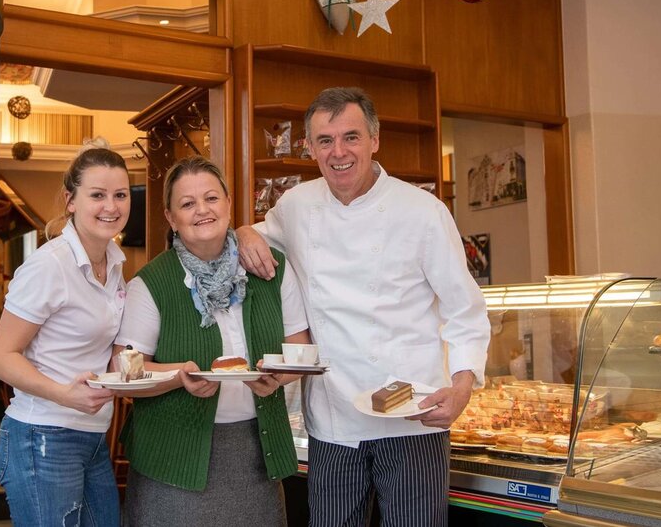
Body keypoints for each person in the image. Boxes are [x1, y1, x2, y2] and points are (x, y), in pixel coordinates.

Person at [237, 87, 490, 526]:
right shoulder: (297, 206)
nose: (339, 152)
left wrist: (463, 385)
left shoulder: (423, 212)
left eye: (351, 137)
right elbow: (257, 238)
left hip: (413, 418)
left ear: (375, 140)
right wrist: (242, 230)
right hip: (333, 423)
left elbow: (463, 308)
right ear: (310, 148)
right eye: (325, 141)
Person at [114, 155, 312, 527]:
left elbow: (298, 346)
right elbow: (122, 372)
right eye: (187, 204)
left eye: (211, 198)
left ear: (228, 204)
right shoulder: (150, 284)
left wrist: (277, 377)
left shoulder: (270, 268)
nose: (202, 210)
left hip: (257, 452)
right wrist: (177, 376)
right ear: (171, 218)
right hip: (172, 460)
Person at [0, 140, 130, 527]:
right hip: (43, 435)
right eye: (97, 195)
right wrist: (66, 394)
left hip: (92, 434)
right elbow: (0, 358)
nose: (111, 206)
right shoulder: (50, 265)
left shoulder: (115, 263)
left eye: (120, 195)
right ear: (71, 200)